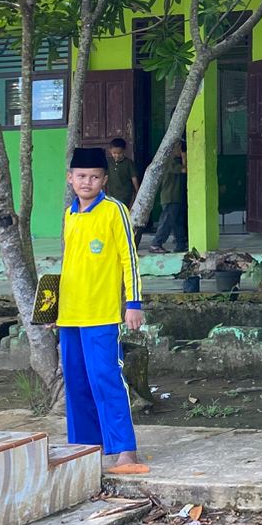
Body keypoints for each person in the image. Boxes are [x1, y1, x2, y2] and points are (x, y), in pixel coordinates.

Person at [59, 145, 148, 476]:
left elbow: (129, 259)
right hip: (69, 315)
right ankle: (86, 448)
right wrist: (52, 309)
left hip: (102, 314)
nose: (87, 182)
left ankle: (125, 451)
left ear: (104, 180)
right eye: (81, 176)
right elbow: (69, 263)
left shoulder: (115, 210)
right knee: (76, 383)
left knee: (107, 379)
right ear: (70, 178)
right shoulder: (70, 214)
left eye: (94, 177)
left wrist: (133, 303)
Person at [144, 142, 188, 253]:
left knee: (177, 222)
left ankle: (181, 244)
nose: (181, 151)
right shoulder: (169, 162)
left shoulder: (175, 161)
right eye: (179, 148)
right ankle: (156, 243)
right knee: (166, 221)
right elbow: (184, 170)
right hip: (170, 196)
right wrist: (184, 157)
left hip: (177, 196)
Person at [104, 137, 140, 207]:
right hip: (111, 193)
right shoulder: (109, 162)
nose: (117, 155)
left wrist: (137, 191)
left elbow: (134, 178)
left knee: (121, 208)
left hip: (125, 194)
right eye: (114, 153)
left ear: (124, 151)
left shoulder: (128, 163)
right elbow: (106, 176)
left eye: (119, 153)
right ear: (110, 151)